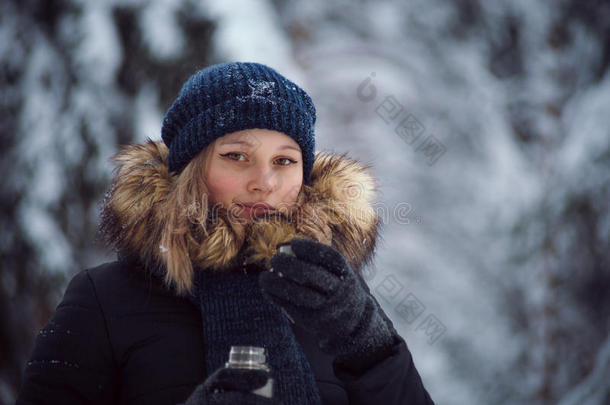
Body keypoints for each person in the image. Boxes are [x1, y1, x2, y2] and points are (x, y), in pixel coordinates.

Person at [17, 62, 435, 405]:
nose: (265, 182)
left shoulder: (332, 298)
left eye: (285, 161)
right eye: (237, 156)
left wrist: (371, 348)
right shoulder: (103, 299)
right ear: (191, 170)